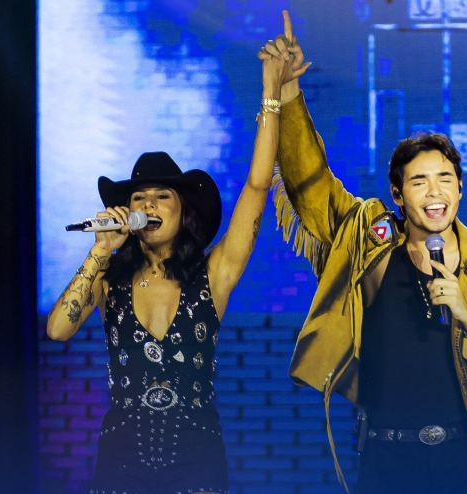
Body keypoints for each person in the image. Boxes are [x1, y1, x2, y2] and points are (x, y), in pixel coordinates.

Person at [260, 11, 467, 494]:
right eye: (419, 182)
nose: (435, 193)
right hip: (386, 458)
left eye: (445, 179)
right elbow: (311, 185)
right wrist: (287, 92)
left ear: (460, 190)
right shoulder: (367, 239)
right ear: (397, 193)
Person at [46, 28, 308, 494]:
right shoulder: (109, 277)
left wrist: (271, 93)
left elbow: (257, 186)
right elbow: (57, 331)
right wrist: (100, 251)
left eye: (162, 195)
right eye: (138, 197)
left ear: (183, 210)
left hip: (197, 462)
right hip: (121, 463)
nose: (148, 203)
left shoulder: (214, 273)